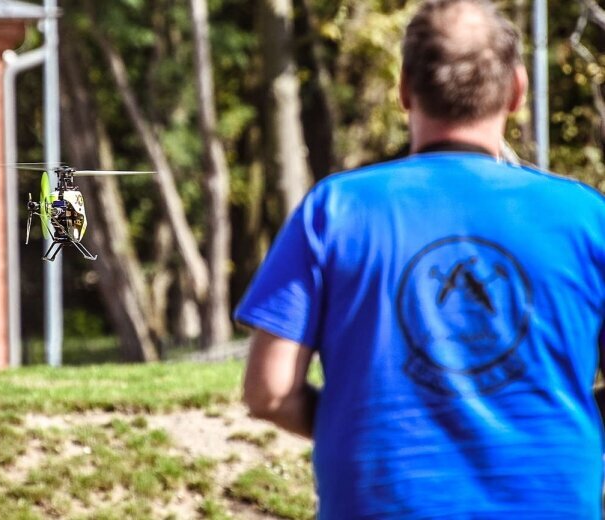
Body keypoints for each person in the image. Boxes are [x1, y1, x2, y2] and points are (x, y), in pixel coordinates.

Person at [234, 0, 605, 518]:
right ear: (518, 91)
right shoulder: (587, 217)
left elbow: (269, 392)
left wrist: (364, 426)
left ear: (405, 89)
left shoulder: (336, 210)